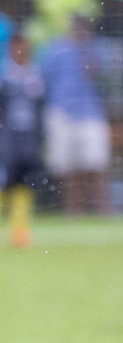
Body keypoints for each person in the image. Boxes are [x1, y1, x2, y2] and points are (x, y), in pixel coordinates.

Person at [38, 13, 111, 215]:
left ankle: (104, 210)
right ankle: (73, 211)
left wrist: (85, 51)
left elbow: (98, 74)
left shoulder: (95, 46)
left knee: (97, 163)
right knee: (68, 168)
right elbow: (43, 78)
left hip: (90, 112)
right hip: (62, 111)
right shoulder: (55, 48)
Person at [0, 19, 46, 248]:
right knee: (4, 182)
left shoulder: (36, 77)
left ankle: (19, 231)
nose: (20, 49)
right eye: (16, 45)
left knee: (24, 184)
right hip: (7, 140)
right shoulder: (4, 76)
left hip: (28, 141)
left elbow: (42, 110)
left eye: (24, 45)